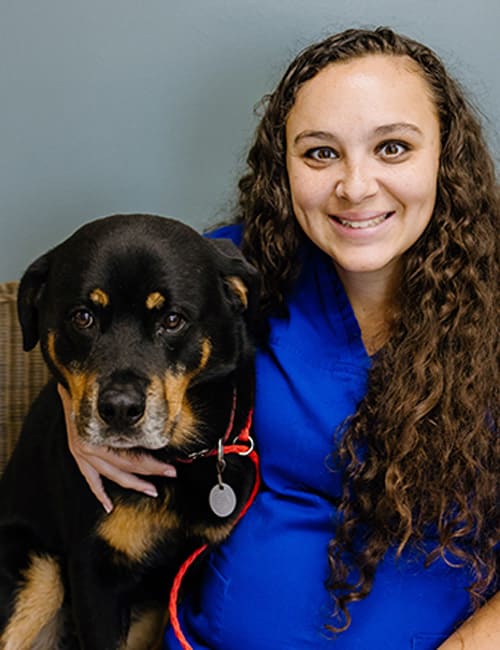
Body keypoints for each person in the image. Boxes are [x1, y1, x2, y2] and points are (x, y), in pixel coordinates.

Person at [59, 27, 499, 649]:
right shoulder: (237, 268)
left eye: (393, 148)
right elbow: (101, 309)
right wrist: (76, 415)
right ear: (283, 165)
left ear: (445, 156)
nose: (355, 185)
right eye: (320, 153)